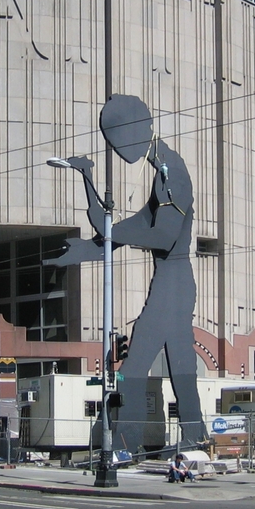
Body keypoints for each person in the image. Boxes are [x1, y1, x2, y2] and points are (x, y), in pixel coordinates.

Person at [50, 95, 207, 453]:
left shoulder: (173, 173)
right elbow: (115, 231)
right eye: (112, 142)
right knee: (181, 365)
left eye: (120, 139)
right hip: (176, 284)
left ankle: (126, 442)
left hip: (173, 283)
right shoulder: (162, 173)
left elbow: (161, 235)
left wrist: (108, 235)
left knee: (135, 365)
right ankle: (195, 437)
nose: (118, 150)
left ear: (143, 128)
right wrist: (82, 250)